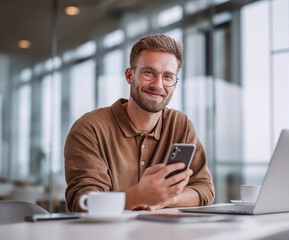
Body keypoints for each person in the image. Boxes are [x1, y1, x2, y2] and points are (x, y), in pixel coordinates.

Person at [64, 34, 215, 212]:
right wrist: (138, 197)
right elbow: (83, 203)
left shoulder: (180, 124)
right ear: (130, 75)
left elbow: (205, 189)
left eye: (168, 77)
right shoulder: (90, 128)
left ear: (175, 84)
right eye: (149, 73)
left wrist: (163, 199)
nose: (158, 85)